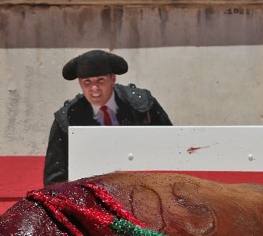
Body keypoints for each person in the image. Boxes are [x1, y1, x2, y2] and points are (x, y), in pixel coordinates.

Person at [43, 49, 172, 185]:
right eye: (87, 82)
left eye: (100, 80)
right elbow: (55, 178)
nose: (94, 88)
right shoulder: (66, 119)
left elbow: (170, 145)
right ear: (80, 83)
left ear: (113, 79)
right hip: (92, 190)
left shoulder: (141, 105)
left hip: (142, 185)